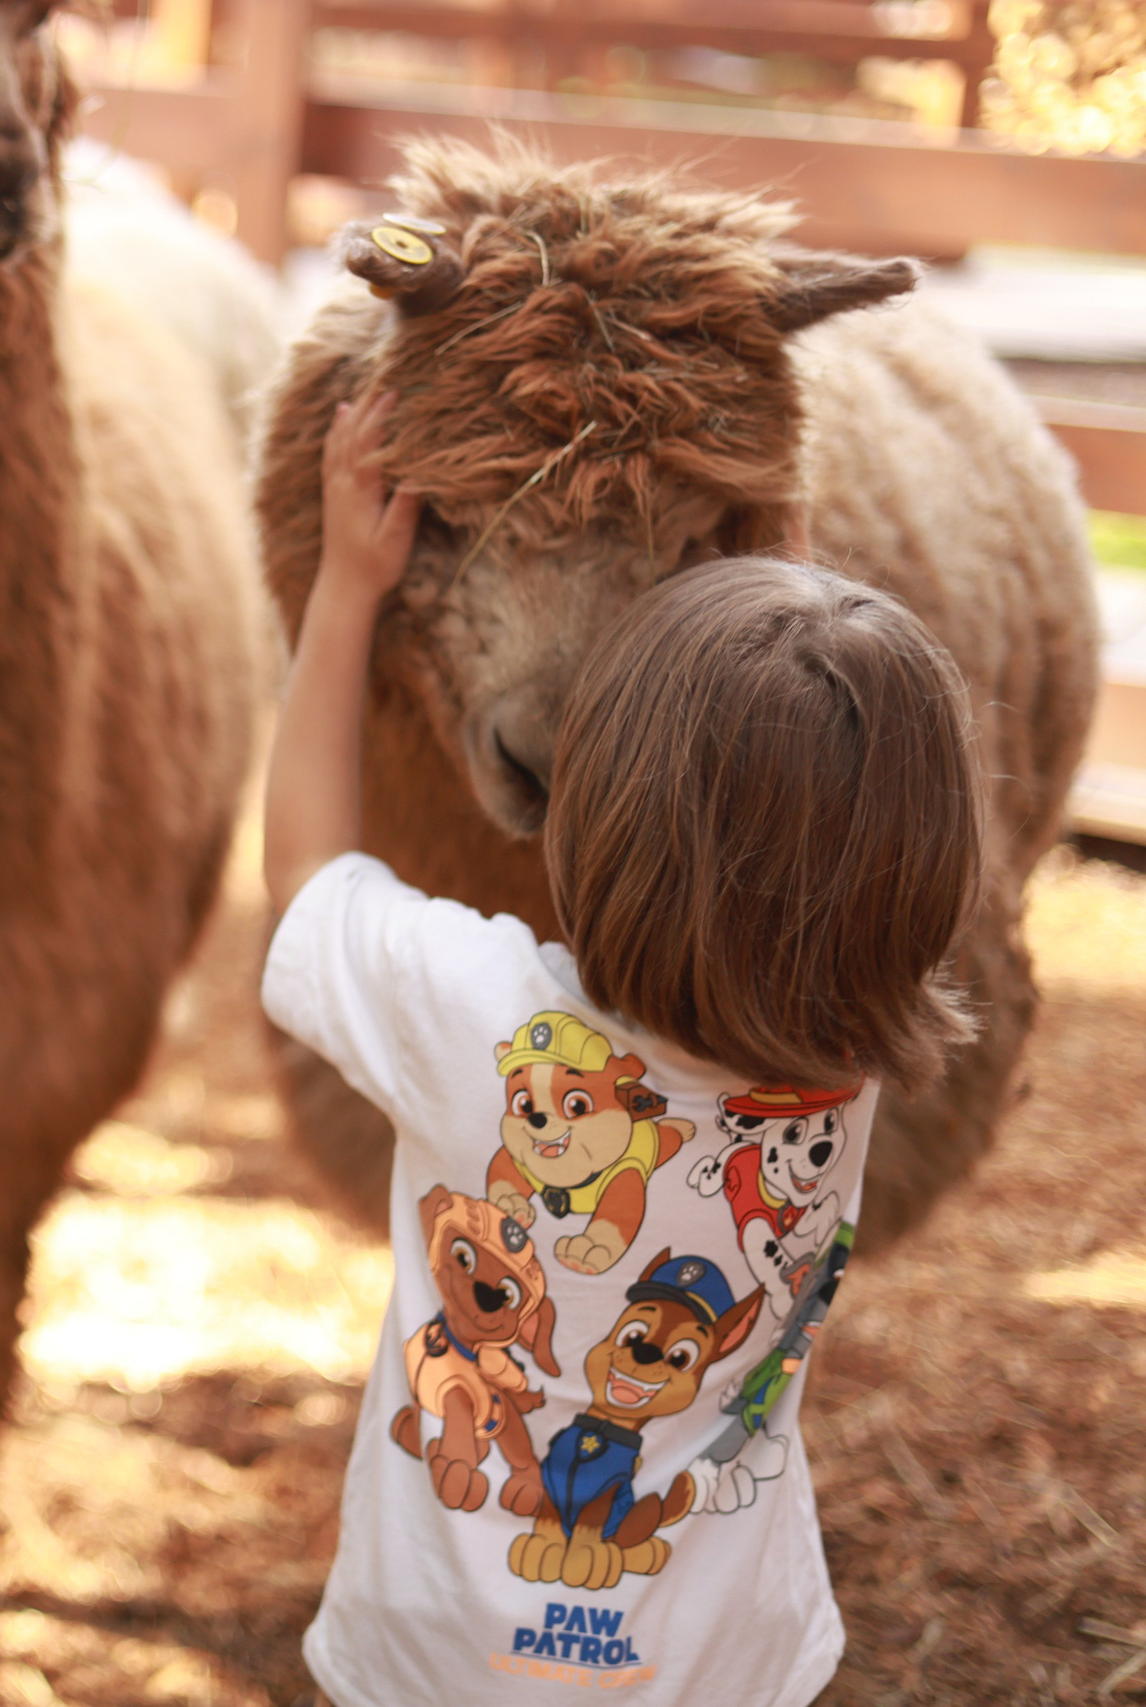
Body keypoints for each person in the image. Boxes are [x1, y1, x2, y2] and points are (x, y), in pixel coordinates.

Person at [262, 396, 983, 1706]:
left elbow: (307, 870)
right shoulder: (847, 1064)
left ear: (590, 820)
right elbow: (833, 826)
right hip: (726, 1655)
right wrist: (785, 563)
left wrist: (346, 589)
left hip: (436, 1653)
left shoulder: (486, 1023)